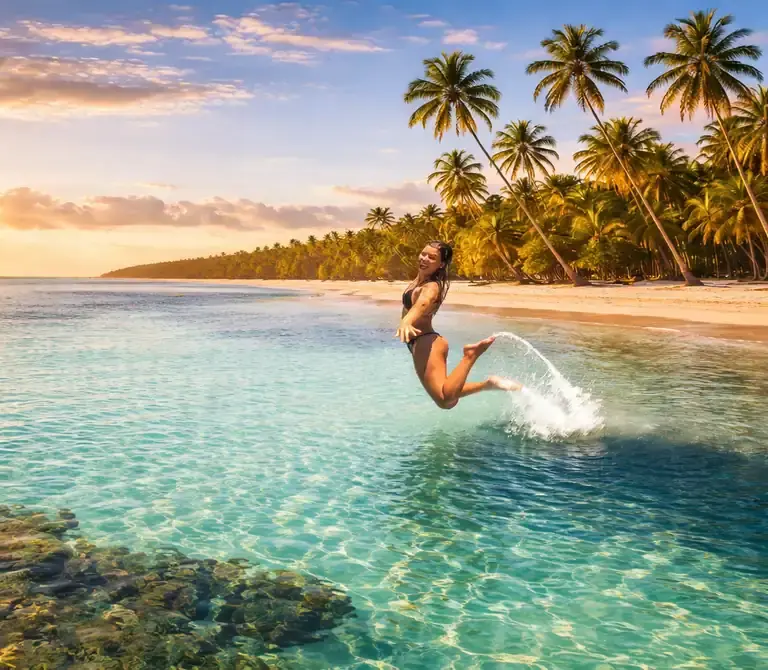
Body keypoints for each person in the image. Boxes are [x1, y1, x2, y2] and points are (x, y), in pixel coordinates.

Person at [396, 241, 521, 409]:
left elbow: (424, 303)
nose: (425, 258)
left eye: (431, 257)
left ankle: (470, 356)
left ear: (440, 264)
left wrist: (407, 320)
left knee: (446, 401)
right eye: (423, 253)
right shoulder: (419, 280)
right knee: (445, 396)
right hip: (419, 343)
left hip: (427, 342)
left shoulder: (431, 286)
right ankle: (489, 384)